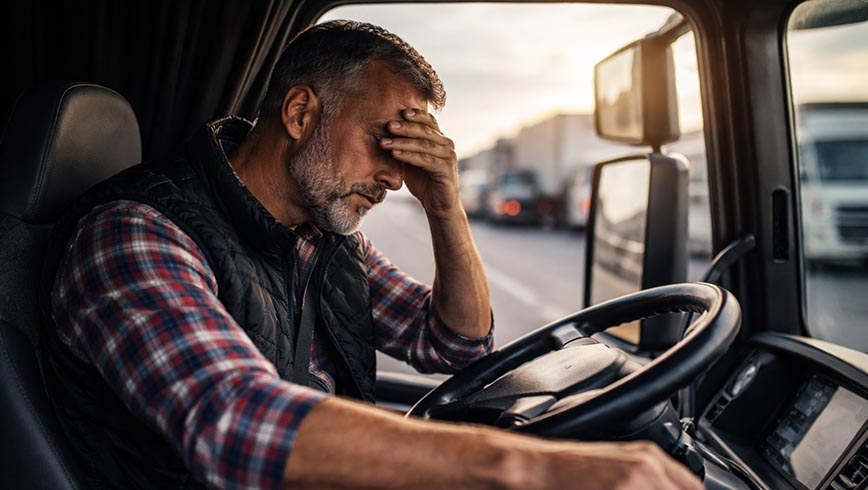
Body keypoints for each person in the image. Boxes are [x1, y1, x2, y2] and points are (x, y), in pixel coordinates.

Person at [42, 20, 702, 490]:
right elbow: (233, 423)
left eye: (410, 152)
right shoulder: (135, 235)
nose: (394, 177)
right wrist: (525, 468)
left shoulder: (324, 239)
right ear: (300, 113)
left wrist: (445, 203)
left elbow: (457, 347)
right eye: (383, 143)